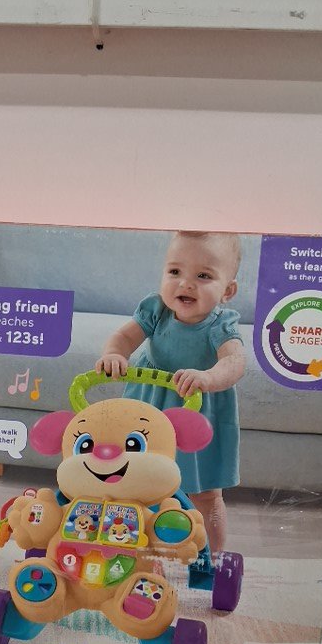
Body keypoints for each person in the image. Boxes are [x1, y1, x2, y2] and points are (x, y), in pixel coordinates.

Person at [95, 231, 245, 555]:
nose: (185, 284)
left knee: (206, 495)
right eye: (175, 271)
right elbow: (124, 337)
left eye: (203, 276)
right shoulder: (156, 310)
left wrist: (208, 377)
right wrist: (115, 354)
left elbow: (234, 362)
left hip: (199, 412)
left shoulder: (221, 325)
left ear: (227, 291)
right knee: (134, 481)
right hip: (149, 404)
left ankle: (214, 558)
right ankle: (127, 544)